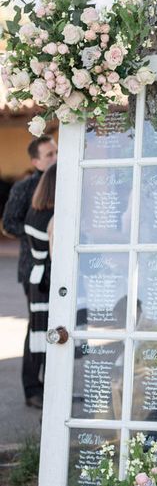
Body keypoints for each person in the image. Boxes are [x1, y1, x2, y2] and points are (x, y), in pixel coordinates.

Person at [2, 135, 57, 408]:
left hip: (55, 269)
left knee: (55, 328)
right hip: (31, 267)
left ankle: (52, 384)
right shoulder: (25, 187)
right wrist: (37, 234)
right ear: (35, 161)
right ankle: (32, 388)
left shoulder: (64, 180)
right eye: (49, 155)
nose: (55, 158)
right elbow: (9, 223)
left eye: (56, 152)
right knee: (36, 327)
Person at [23, 163, 56, 399]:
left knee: (38, 331)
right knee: (50, 334)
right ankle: (50, 391)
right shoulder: (53, 217)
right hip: (47, 278)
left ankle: (39, 387)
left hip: (36, 275)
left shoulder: (34, 212)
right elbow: (55, 255)